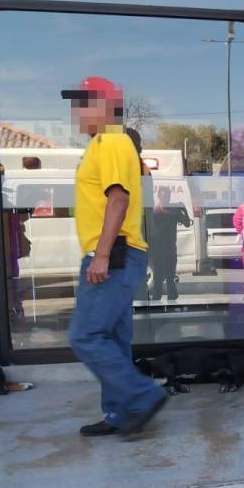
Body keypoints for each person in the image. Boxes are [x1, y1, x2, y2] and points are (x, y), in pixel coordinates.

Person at [62, 76, 167, 437]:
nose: (76, 113)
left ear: (104, 107)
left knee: (86, 336)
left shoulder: (110, 141)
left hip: (114, 254)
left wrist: (101, 255)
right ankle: (121, 415)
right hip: (120, 254)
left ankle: (142, 395)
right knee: (112, 338)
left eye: (83, 103)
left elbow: (118, 199)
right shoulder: (107, 144)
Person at [146, 185, 192, 301]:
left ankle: (172, 300)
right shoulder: (155, 211)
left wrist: (184, 209)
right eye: (163, 197)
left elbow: (187, 223)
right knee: (158, 278)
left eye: (167, 197)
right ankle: (156, 301)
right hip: (157, 249)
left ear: (170, 197)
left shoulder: (174, 211)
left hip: (170, 248)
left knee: (170, 277)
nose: (165, 199)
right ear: (159, 197)